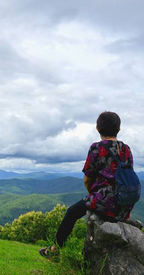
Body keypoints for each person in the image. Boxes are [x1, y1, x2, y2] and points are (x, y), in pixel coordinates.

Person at [39, 111, 136, 258]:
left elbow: (87, 178)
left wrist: (92, 193)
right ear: (119, 129)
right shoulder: (126, 149)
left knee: (71, 212)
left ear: (97, 129)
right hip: (126, 201)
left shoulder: (97, 147)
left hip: (105, 200)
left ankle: (54, 250)